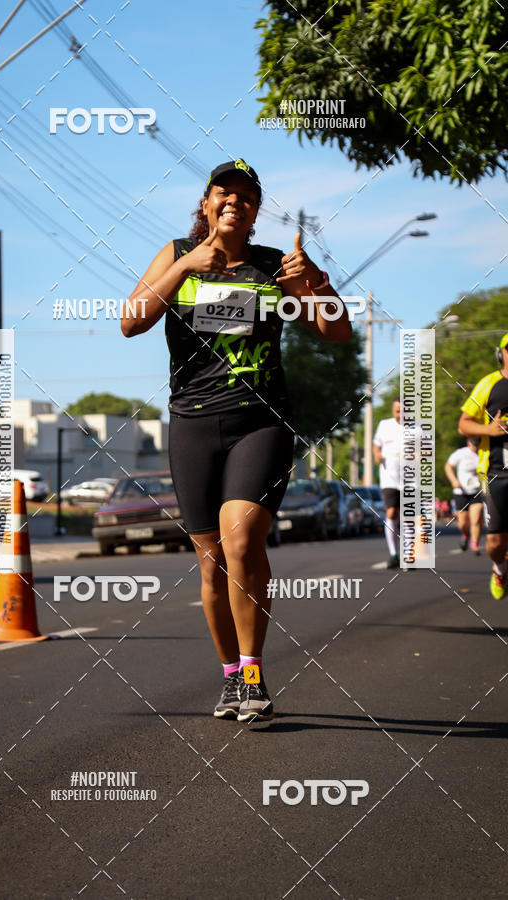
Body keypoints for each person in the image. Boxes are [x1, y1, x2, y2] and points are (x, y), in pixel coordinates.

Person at [122, 158, 351, 721]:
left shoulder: (274, 266)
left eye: (246, 196)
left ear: (255, 212)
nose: (234, 201)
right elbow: (131, 320)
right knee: (211, 563)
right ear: (206, 204)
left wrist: (316, 284)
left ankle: (252, 674)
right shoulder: (177, 254)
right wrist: (184, 268)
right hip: (193, 424)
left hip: (261, 421)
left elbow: (337, 332)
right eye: (223, 193)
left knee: (242, 540)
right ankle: (230, 677)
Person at [458, 333, 508, 598]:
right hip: (496, 472)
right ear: (501, 354)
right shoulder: (489, 384)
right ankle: (500, 568)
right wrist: (489, 429)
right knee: (495, 542)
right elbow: (464, 424)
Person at [373, 398, 402, 568]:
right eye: (397, 410)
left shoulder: (417, 428)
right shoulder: (384, 425)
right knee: (391, 513)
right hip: (389, 478)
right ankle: (393, 554)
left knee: (407, 517)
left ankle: (408, 554)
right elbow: (376, 446)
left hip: (410, 480)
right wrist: (377, 455)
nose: (399, 413)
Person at [444, 438, 483, 554]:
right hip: (461, 492)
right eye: (473, 444)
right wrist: (454, 481)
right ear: (468, 442)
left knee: (476, 519)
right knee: (463, 523)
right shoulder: (460, 453)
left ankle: (474, 544)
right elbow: (448, 467)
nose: (475, 447)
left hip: (477, 491)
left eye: (477, 444)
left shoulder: (484, 453)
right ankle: (466, 534)